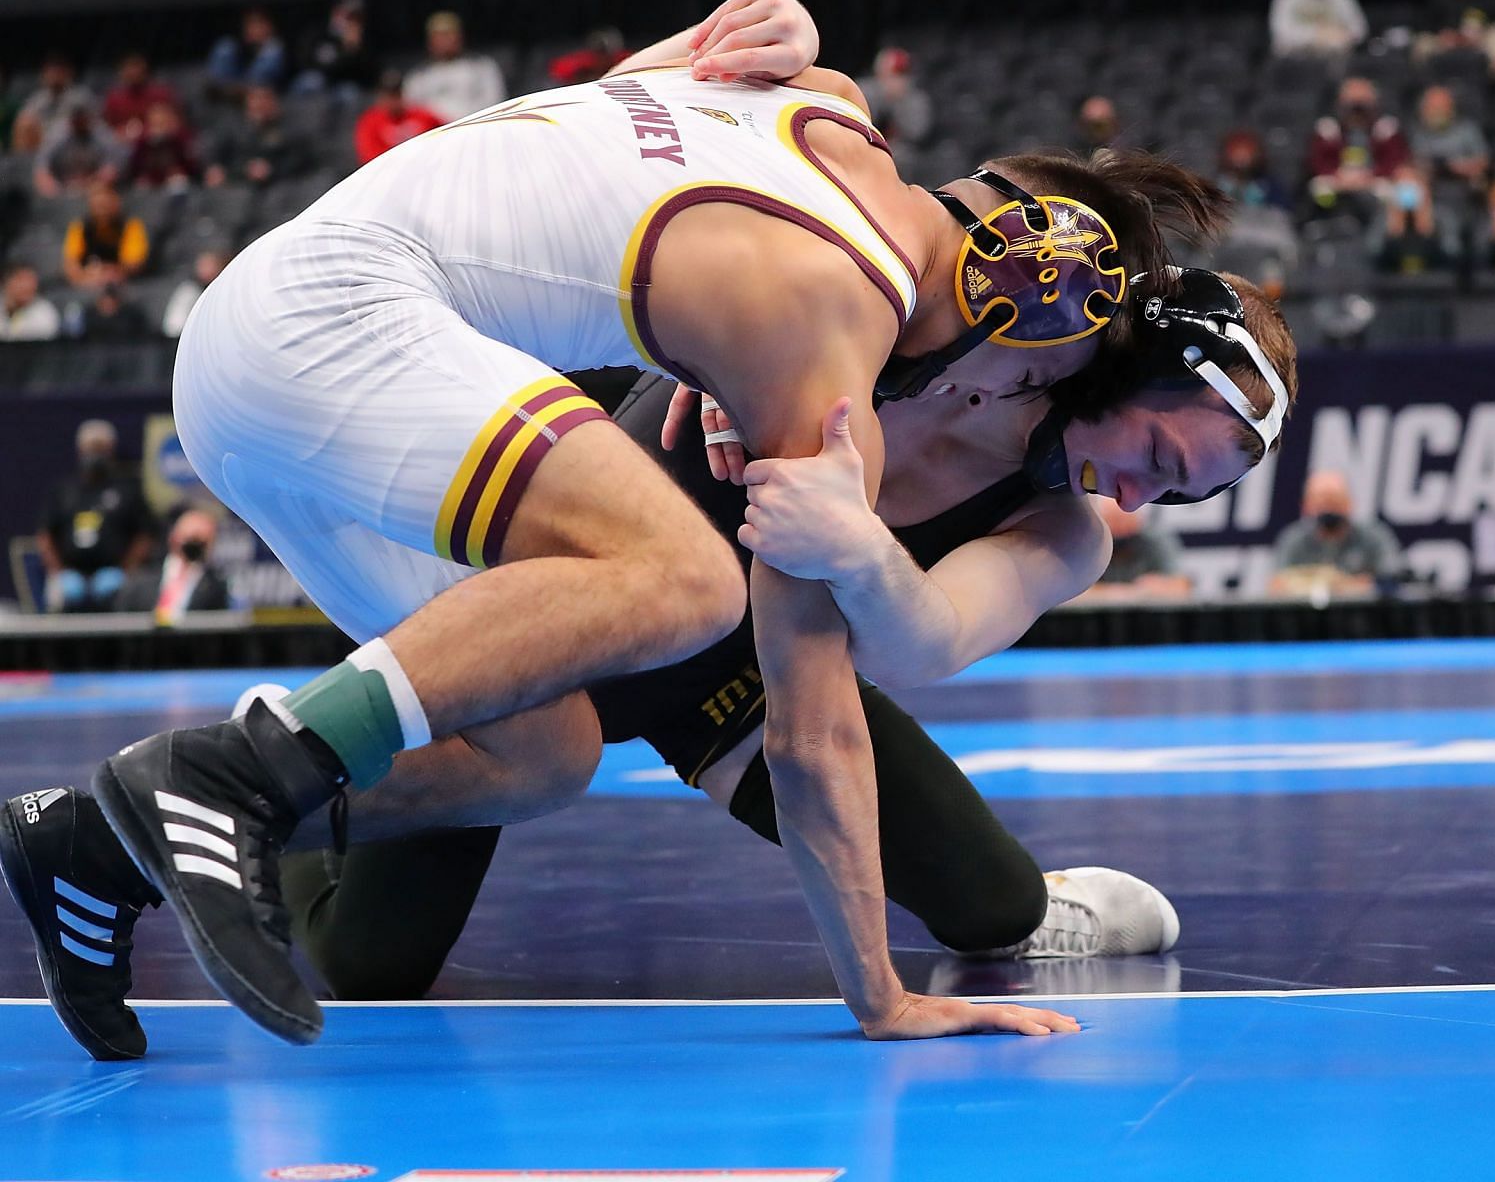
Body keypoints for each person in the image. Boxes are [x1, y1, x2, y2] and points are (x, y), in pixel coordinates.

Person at [49, 0, 1235, 1052]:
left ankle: (94, 842)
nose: (1013, 395)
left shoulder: (816, 97)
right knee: (692, 579)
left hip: (262, 357)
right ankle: (234, 775)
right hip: (337, 325)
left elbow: (593, 133)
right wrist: (878, 997)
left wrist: (730, 32)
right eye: (1037, 373)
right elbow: (814, 735)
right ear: (1011, 303)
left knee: (540, 751)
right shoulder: (832, 346)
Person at [11, 267, 1295, 1048]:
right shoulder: (905, 332)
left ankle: (131, 812)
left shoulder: (1067, 528)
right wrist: (730, 358)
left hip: (734, 682)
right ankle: (221, 779)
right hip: (549, 624)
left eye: (1179, 496)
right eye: (1165, 459)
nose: (1144, 494)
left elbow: (919, 640)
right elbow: (747, 234)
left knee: (997, 911)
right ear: (1133, 367)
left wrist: (853, 543)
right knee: (369, 966)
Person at [36, 420, 156, 613]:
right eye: (90, 448)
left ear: (111, 451)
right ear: (80, 451)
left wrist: (126, 570)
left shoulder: (127, 491)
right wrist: (59, 572)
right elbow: (45, 537)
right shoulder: (64, 491)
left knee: (117, 590)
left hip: (114, 573)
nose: (95, 454)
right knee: (63, 591)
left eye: (101, 448)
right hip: (70, 573)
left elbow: (145, 535)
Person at [1269, 469, 1402, 595]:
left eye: (1334, 502)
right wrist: (1324, 583)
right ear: (1306, 506)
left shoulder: (1374, 537)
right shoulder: (1293, 540)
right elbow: (1278, 585)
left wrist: (1340, 585)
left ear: (1349, 503)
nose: (1328, 510)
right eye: (1321, 503)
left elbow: (1390, 580)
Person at [1305, 77, 1409, 219]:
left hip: (1374, 179)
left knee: (1394, 192)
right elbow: (1317, 161)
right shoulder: (1328, 127)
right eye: (1352, 102)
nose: (1357, 108)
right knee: (1320, 189)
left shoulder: (1385, 127)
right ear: (1341, 102)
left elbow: (1394, 160)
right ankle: (1325, 223)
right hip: (1337, 178)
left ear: (1373, 102)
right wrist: (1337, 175)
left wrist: (1370, 176)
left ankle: (1381, 225)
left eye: (1362, 102)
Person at [115, 509, 232, 620]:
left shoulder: (215, 587)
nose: (194, 545)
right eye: (191, 538)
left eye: (201, 541)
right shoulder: (141, 579)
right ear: (174, 537)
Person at [403, 11, 508, 122]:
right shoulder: (418, 76)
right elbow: (411, 112)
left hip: (474, 128)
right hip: (435, 134)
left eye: (448, 34)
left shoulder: (482, 67)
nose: (444, 41)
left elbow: (496, 104)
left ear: (460, 37)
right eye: (439, 36)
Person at [1080, 496, 1191, 599]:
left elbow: (1182, 585)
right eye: (1114, 521)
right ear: (1102, 522)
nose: (1120, 530)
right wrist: (1125, 592)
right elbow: (1074, 591)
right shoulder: (1091, 541)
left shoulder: (1153, 539)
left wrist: (1156, 586)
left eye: (1123, 521)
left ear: (1138, 520)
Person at [205, 85, 312, 187]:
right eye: (255, 100)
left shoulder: (289, 128)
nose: (260, 105)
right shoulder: (234, 127)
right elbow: (219, 154)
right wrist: (218, 168)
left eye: (265, 100)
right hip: (238, 182)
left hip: (278, 184)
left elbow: (298, 160)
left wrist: (271, 170)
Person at [63, 183, 152, 291]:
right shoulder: (80, 227)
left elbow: (134, 264)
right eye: (98, 205)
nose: (102, 211)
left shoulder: (131, 226)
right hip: (89, 284)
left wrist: (111, 273)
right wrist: (87, 277)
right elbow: (71, 265)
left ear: (116, 202)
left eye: (105, 205)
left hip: (125, 286)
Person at [1370, 169, 1456, 275]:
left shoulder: (1442, 215)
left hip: (1434, 281)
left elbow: (1453, 252)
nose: (1407, 191)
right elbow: (1372, 252)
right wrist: (1393, 229)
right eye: (1402, 186)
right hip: (1393, 282)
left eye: (1412, 186)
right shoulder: (1385, 216)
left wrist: (1428, 228)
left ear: (1424, 187)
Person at [297, 0, 380, 99]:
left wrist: (352, 49)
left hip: (345, 85)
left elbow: (368, 74)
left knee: (350, 93)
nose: (348, 20)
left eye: (354, 16)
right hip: (320, 79)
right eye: (347, 15)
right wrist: (340, 58)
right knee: (311, 81)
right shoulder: (319, 32)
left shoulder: (364, 39)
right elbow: (306, 60)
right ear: (335, 12)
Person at [1409, 84, 1489, 191]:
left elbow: (1483, 160)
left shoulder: (1467, 129)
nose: (1437, 111)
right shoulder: (1419, 134)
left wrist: (1457, 166)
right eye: (1432, 107)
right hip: (1432, 186)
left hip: (1466, 184)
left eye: (1442, 106)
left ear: (1451, 107)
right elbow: (1418, 164)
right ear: (1424, 110)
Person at [354, 72, 444, 165]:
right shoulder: (370, 122)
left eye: (396, 94)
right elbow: (370, 157)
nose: (393, 100)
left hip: (425, 165)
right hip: (389, 172)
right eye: (388, 95)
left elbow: (444, 136)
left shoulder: (422, 115)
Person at [11, 55, 95, 154]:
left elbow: (94, 126)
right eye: (51, 72)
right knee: (25, 122)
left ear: (69, 74)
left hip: (73, 145)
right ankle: (22, 164)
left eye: (59, 72)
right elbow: (26, 124)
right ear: (43, 75)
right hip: (42, 144)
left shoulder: (81, 97)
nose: (55, 76)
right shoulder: (36, 100)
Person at [35, 109, 128, 198]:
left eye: (83, 118)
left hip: (95, 186)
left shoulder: (101, 133)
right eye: (76, 119)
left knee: (105, 183)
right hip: (63, 188)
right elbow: (42, 166)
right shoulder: (58, 136)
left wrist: (92, 182)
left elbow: (113, 165)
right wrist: (54, 188)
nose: (80, 122)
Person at [855, 47, 933, 149]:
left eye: (900, 75)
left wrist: (897, 103)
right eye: (890, 74)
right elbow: (856, 123)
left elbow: (918, 134)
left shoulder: (917, 101)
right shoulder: (863, 90)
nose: (894, 80)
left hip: (900, 152)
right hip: (865, 144)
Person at [206, 7, 289, 100]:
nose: (255, 29)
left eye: (259, 23)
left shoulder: (274, 50)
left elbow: (266, 82)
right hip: (228, 91)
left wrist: (244, 89)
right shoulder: (233, 48)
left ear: (270, 26)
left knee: (273, 48)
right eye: (250, 24)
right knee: (225, 46)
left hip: (268, 93)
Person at [125, 102, 202, 188]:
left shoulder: (180, 137)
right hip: (151, 179)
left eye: (162, 123)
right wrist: (144, 141)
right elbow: (134, 166)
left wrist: (174, 138)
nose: (158, 128)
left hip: (174, 178)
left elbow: (192, 165)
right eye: (154, 123)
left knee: (179, 183)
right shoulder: (142, 141)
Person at [101, 54, 179, 138]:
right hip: (121, 143)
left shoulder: (161, 94)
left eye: (136, 67)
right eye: (130, 68)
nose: (134, 72)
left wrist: (144, 131)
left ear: (145, 70)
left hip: (154, 140)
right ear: (122, 72)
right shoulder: (114, 98)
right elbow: (107, 127)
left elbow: (174, 124)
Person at [161, 249, 229, 337]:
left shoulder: (227, 291)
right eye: (203, 264)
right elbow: (174, 327)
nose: (204, 269)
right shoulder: (190, 290)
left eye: (209, 265)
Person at [548, 28, 631, 87]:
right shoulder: (578, 64)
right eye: (600, 52)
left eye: (606, 52)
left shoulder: (625, 60)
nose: (603, 56)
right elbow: (557, 77)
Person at [3, 264, 61, 341]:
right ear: (6, 282)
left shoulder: (45, 312)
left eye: (30, 280)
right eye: (20, 279)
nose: (26, 286)